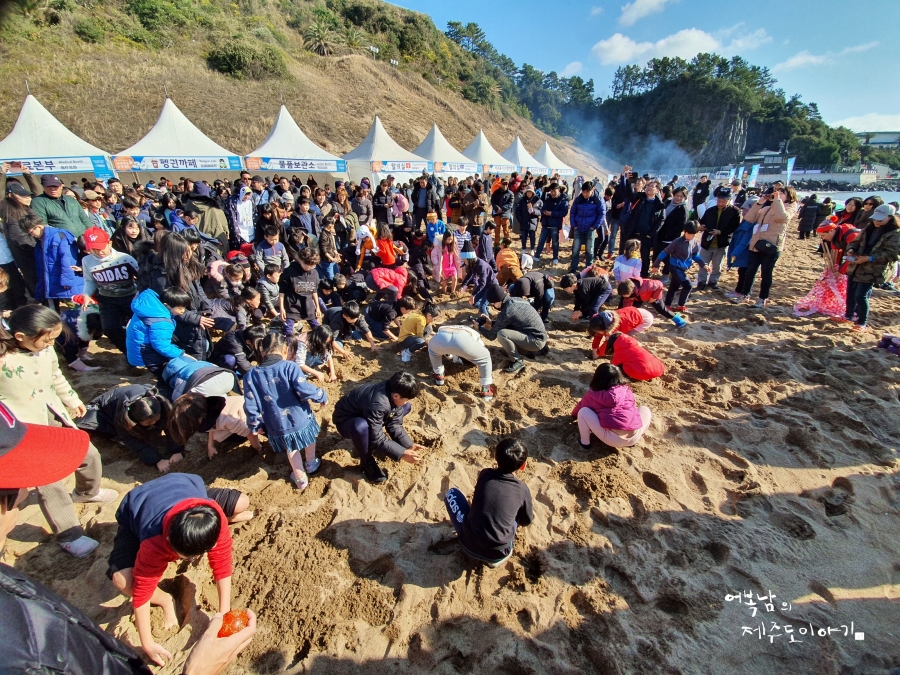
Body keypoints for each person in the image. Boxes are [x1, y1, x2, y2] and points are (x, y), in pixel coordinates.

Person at [0, 305, 117, 557]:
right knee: (49, 481)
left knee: (88, 454)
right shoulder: (3, 359)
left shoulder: (45, 349)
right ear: (20, 337)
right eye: (47, 339)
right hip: (24, 429)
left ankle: (87, 492)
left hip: (53, 413)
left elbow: (56, 376)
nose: (51, 343)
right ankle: (69, 535)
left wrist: (72, 399)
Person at [108, 473, 251, 666]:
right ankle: (165, 600)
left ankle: (210, 525)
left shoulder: (213, 513)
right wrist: (147, 643)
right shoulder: (154, 540)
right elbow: (142, 590)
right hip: (137, 505)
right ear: (168, 540)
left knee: (242, 502)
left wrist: (224, 611)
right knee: (122, 579)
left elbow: (222, 562)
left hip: (183, 486)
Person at [243, 331, 327, 489]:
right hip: (300, 417)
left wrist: (255, 424)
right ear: (285, 349)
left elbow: (250, 403)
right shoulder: (290, 367)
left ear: (262, 351)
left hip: (277, 423)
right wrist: (321, 395)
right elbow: (304, 389)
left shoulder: (250, 375)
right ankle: (311, 463)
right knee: (309, 437)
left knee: (291, 447)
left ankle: (300, 476)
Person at [444, 438, 533, 566]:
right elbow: (527, 520)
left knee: (451, 494)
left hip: (468, 542)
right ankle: (493, 559)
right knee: (517, 510)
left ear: (495, 455)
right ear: (523, 466)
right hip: (500, 553)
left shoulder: (485, 474)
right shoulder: (522, 489)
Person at [332, 371, 425, 484]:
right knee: (361, 427)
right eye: (406, 399)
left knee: (406, 408)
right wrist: (401, 453)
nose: (406, 402)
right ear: (396, 395)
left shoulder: (392, 390)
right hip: (346, 421)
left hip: (368, 413)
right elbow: (377, 438)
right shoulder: (378, 403)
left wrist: (408, 445)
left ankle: (374, 433)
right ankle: (367, 462)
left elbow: (394, 424)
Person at [75, 384, 183, 472]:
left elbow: (172, 427)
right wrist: (157, 460)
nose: (153, 423)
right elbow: (130, 439)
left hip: (137, 406)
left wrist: (177, 450)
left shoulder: (162, 403)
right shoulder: (123, 416)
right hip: (103, 410)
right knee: (89, 427)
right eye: (148, 422)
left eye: (156, 420)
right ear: (135, 420)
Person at [732, 186, 799, 308]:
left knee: (766, 274)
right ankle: (745, 295)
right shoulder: (767, 208)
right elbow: (749, 218)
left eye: (781, 193)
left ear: (789, 196)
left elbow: (783, 217)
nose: (777, 194)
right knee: (750, 272)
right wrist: (759, 203)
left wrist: (777, 201)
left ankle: (762, 298)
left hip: (771, 247)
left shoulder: (790, 208)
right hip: (756, 245)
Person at [842, 204, 900, 332]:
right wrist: (851, 249)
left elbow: (892, 254)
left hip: (873, 269)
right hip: (857, 264)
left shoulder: (895, 234)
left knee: (861, 295)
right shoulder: (868, 228)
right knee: (850, 292)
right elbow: (855, 241)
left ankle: (862, 322)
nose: (876, 222)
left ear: (890, 218)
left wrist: (870, 258)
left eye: (880, 219)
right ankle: (848, 316)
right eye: (875, 219)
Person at [81, 227, 138, 354]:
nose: (98, 251)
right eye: (94, 249)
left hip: (130, 296)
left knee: (140, 324)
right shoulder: (87, 261)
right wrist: (86, 294)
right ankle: (129, 352)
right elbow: (90, 280)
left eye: (101, 247)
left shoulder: (125, 258)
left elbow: (140, 276)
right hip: (107, 299)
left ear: (109, 243)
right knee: (109, 328)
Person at [573, 363, 652, 449]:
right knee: (645, 409)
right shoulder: (626, 389)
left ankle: (585, 442)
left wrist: (574, 414)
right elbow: (633, 406)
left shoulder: (594, 394)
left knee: (583, 412)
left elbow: (582, 406)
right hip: (634, 436)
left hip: (612, 439)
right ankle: (631, 441)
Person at [793, 218, 860, 319]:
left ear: (831, 231)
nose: (823, 239)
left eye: (824, 235)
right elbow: (836, 252)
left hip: (860, 260)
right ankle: (850, 313)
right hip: (850, 257)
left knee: (856, 290)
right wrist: (834, 267)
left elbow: (852, 257)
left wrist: (841, 271)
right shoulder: (834, 236)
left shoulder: (851, 235)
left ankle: (855, 313)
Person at [476, 284, 548, 373]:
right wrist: (490, 323)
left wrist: (479, 327)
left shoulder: (508, 311)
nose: (493, 305)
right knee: (505, 330)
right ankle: (520, 350)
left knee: (502, 334)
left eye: (493, 303)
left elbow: (491, 336)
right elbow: (508, 323)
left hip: (536, 341)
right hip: (538, 336)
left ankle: (517, 361)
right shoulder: (517, 300)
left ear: (498, 301)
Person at [126, 286, 192, 376]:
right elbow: (161, 346)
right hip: (147, 355)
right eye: (180, 308)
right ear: (166, 305)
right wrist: (181, 354)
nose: (183, 311)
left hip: (137, 348)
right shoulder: (161, 321)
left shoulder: (149, 308)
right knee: (164, 377)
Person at [651, 221, 707, 313]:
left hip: (683, 268)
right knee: (688, 285)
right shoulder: (677, 242)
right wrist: (656, 264)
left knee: (673, 286)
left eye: (693, 234)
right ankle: (680, 305)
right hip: (675, 267)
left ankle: (667, 304)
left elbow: (695, 255)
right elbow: (664, 252)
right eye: (689, 234)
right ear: (684, 231)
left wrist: (703, 264)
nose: (690, 236)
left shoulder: (694, 242)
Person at [428, 324, 495, 399]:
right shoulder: (475, 334)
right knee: (485, 358)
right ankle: (486, 390)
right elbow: (481, 348)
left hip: (441, 337)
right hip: (462, 339)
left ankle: (439, 376)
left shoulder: (442, 328)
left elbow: (448, 350)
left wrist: (452, 358)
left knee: (433, 352)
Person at [696, 186, 741, 291]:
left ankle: (713, 282)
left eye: (724, 201)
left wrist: (720, 232)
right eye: (719, 201)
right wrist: (701, 227)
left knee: (717, 265)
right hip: (707, 242)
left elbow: (734, 227)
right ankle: (701, 282)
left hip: (721, 243)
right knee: (703, 263)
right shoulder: (710, 210)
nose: (720, 203)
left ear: (729, 200)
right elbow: (702, 221)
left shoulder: (735, 212)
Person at [619, 180, 665, 277]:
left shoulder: (659, 205)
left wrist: (651, 233)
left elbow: (661, 220)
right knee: (629, 254)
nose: (649, 187)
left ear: (657, 190)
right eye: (648, 185)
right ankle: (627, 273)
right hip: (633, 233)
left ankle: (643, 274)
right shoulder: (639, 197)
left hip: (647, 235)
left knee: (645, 256)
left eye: (652, 186)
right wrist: (629, 181)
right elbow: (629, 193)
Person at [286, 324, 350, 383]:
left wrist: (332, 373)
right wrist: (317, 373)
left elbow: (328, 355)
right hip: (293, 362)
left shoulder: (319, 340)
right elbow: (300, 363)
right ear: (319, 339)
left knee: (324, 353)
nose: (325, 343)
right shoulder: (303, 342)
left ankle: (309, 368)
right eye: (325, 341)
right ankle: (305, 372)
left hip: (308, 356)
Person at [280, 246, 321, 334]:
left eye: (312, 265)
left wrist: (317, 307)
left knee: (317, 329)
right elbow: (282, 291)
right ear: (300, 260)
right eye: (307, 265)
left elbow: (314, 291)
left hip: (308, 305)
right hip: (292, 305)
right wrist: (282, 308)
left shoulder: (314, 273)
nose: (309, 267)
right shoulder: (289, 272)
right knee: (288, 331)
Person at [568, 181, 606, 273]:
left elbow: (602, 213)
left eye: (587, 192)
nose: (585, 194)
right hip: (578, 228)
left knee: (590, 250)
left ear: (592, 189)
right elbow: (572, 212)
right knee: (576, 249)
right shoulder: (578, 199)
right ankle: (573, 268)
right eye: (583, 192)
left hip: (590, 229)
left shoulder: (598, 200)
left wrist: (595, 226)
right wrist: (574, 225)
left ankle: (588, 269)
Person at [588, 307, 654, 357]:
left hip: (645, 319)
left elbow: (608, 343)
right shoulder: (606, 319)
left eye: (599, 331)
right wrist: (595, 347)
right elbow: (598, 334)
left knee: (625, 336)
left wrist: (598, 353)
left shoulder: (614, 330)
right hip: (635, 312)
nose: (598, 333)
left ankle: (639, 347)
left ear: (605, 328)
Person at [535, 183, 569, 265]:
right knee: (541, 241)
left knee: (555, 242)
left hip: (555, 224)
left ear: (559, 190)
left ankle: (555, 258)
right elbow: (542, 209)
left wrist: (552, 213)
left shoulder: (563, 200)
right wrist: (544, 212)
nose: (553, 193)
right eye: (551, 191)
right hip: (546, 223)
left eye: (554, 191)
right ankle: (537, 256)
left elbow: (564, 212)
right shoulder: (548, 199)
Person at [516, 185, 542, 255]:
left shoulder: (538, 200)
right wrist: (520, 220)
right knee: (523, 236)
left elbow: (541, 211)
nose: (529, 193)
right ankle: (524, 248)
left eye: (530, 192)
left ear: (533, 193)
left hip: (533, 221)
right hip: (524, 221)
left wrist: (534, 211)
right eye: (527, 192)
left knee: (532, 236)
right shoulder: (522, 201)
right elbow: (517, 211)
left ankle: (532, 249)